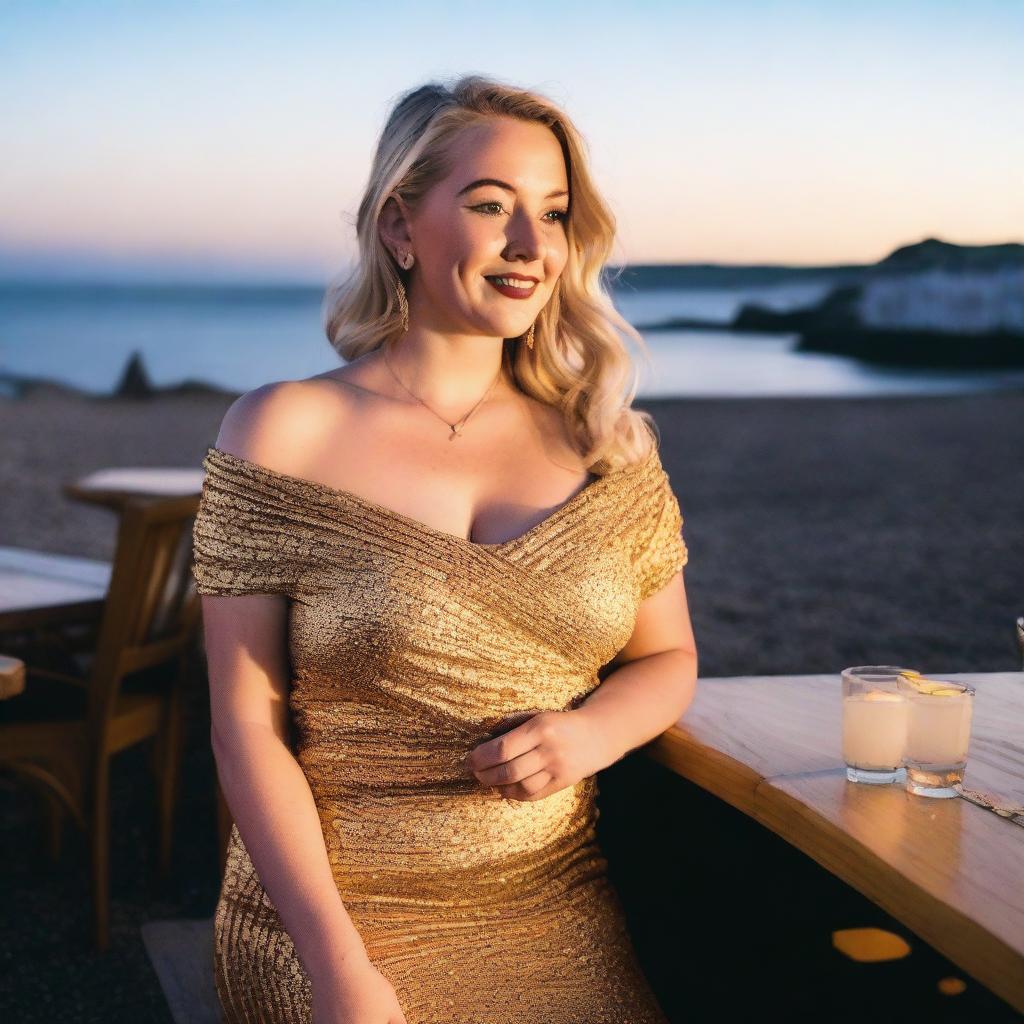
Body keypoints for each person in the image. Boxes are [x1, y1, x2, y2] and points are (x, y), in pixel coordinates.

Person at [193, 73, 698, 1024]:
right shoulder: (281, 428)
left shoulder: (607, 441)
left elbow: (669, 659)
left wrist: (595, 733)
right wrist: (339, 972)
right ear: (398, 224)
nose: (530, 246)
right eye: (489, 205)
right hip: (328, 918)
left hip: (552, 906)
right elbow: (245, 728)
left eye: (553, 213)